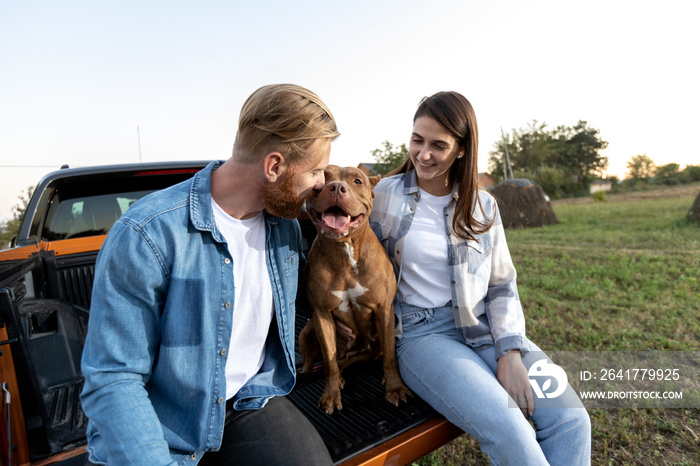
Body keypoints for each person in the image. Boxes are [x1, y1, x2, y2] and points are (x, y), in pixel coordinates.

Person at [80, 84, 338, 465]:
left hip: (249, 399)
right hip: (164, 425)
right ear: (274, 166)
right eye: (315, 170)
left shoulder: (285, 228)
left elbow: (303, 295)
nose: (320, 183)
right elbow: (113, 380)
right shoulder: (147, 234)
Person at [369, 91, 591, 465]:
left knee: (572, 421)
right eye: (417, 140)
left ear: (461, 149)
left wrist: (510, 353)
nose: (423, 154)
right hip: (422, 335)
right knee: (511, 430)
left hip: (481, 325)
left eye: (438, 145)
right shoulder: (381, 195)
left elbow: (502, 284)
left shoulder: (483, 206)